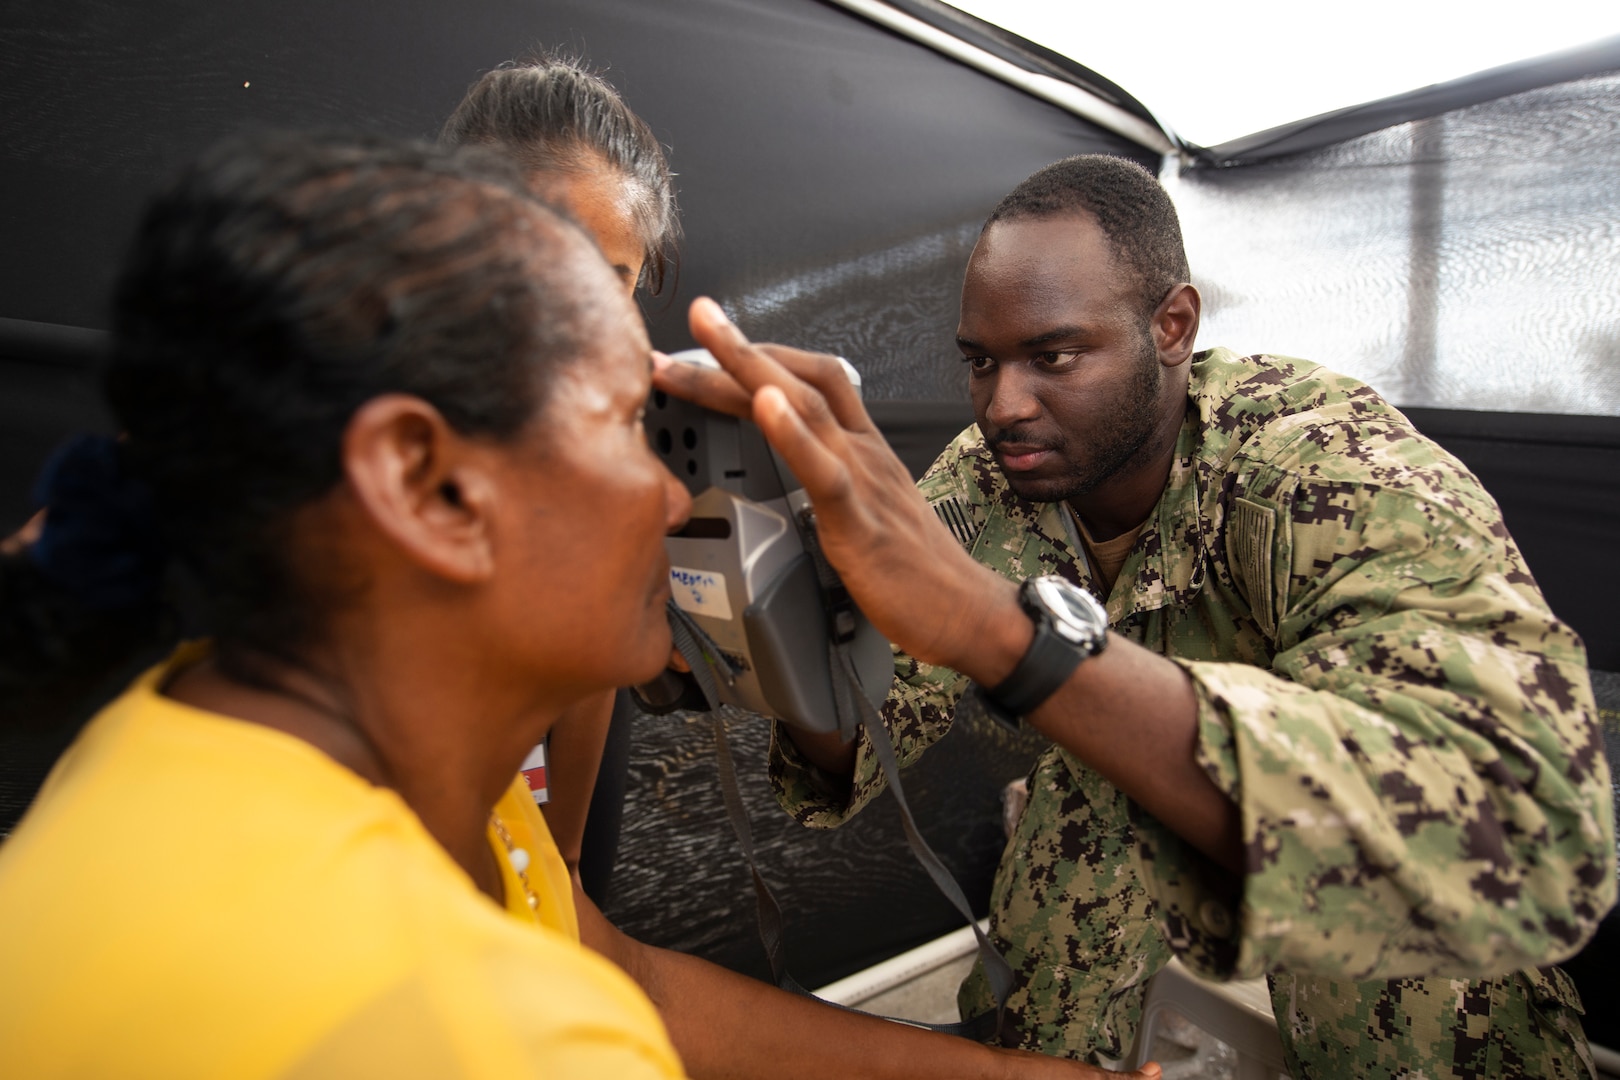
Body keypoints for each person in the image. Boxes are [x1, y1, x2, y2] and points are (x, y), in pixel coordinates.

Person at [0, 131, 1160, 1080]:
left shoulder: (217, 736)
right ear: (428, 484)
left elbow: (620, 971)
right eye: (621, 424)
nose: (671, 495)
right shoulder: (482, 1024)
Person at [654, 155, 1616, 1078]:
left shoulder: (1319, 468)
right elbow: (867, 732)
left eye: (1054, 356)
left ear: (1172, 325)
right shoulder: (987, 481)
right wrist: (779, 632)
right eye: (980, 363)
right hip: (1121, 765)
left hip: (1362, 793)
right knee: (1045, 974)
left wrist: (998, 629)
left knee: (1394, 974)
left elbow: (1523, 819)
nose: (1004, 406)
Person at [440, 54, 681, 902]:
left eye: (616, 278)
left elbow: (593, 668)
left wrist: (569, 866)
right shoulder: (362, 440)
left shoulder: (603, 429)